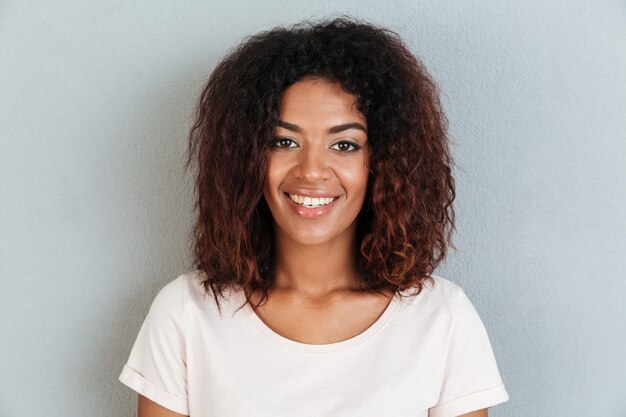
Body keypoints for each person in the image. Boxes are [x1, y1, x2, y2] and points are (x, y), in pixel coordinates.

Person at [118, 17, 509, 417]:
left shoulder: (442, 319)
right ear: (248, 158)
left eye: (344, 144)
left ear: (385, 163)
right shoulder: (186, 314)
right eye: (284, 141)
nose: (311, 170)